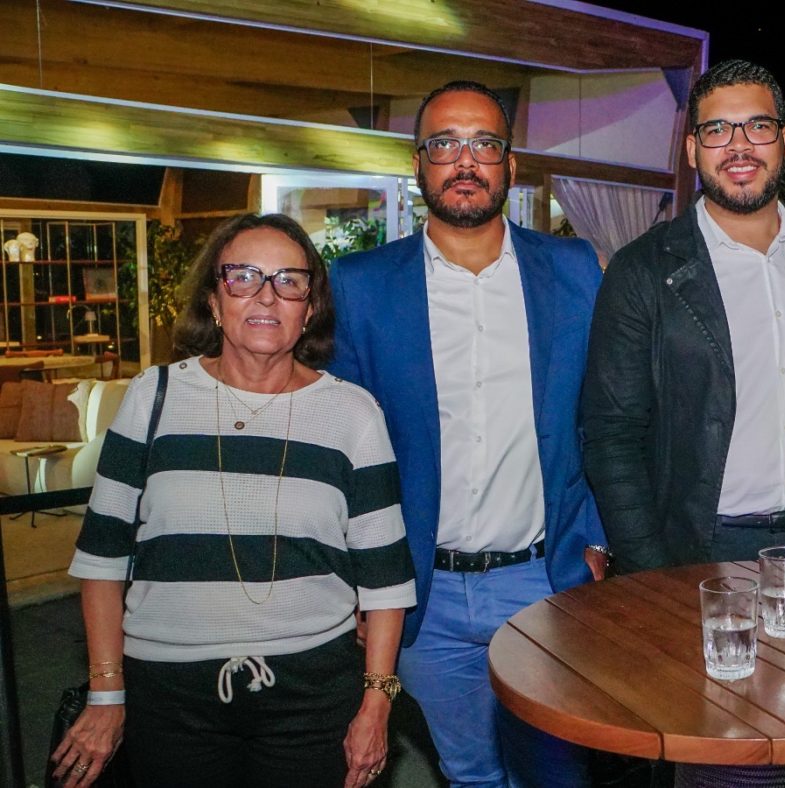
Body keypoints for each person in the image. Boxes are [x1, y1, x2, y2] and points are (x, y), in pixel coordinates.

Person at [55, 213, 416, 788]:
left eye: (288, 281)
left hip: (313, 695)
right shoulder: (155, 396)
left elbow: (386, 579)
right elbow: (101, 559)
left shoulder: (353, 413)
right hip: (169, 696)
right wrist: (106, 691)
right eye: (243, 276)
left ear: (310, 308)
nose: (266, 296)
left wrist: (377, 704)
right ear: (215, 301)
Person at [329, 81, 607, 787]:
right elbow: (341, 455)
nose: (465, 159)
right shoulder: (361, 286)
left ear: (510, 167)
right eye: (443, 143)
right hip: (425, 594)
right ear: (418, 166)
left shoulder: (575, 271)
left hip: (547, 584)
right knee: (472, 773)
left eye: (484, 142)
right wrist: (360, 584)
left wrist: (600, 536)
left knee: (557, 774)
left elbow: (605, 416)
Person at [582, 59, 785, 574]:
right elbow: (610, 435)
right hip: (692, 551)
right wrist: (651, 574)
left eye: (758, 126)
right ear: (692, 151)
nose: (739, 146)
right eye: (716, 130)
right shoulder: (641, 270)